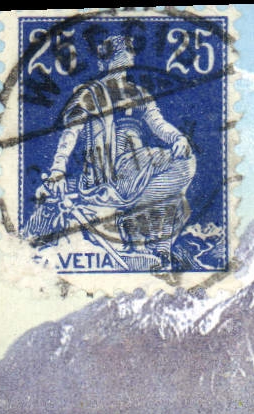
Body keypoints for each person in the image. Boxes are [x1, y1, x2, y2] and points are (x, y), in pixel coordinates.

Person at [31, 33, 196, 269]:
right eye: (115, 66)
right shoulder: (88, 94)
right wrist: (58, 169)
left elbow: (159, 125)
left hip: (139, 165)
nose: (120, 74)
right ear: (103, 65)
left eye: (124, 66)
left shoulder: (140, 94)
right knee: (177, 177)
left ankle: (156, 245)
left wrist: (178, 138)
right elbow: (71, 133)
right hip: (107, 171)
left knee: (184, 167)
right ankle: (139, 234)